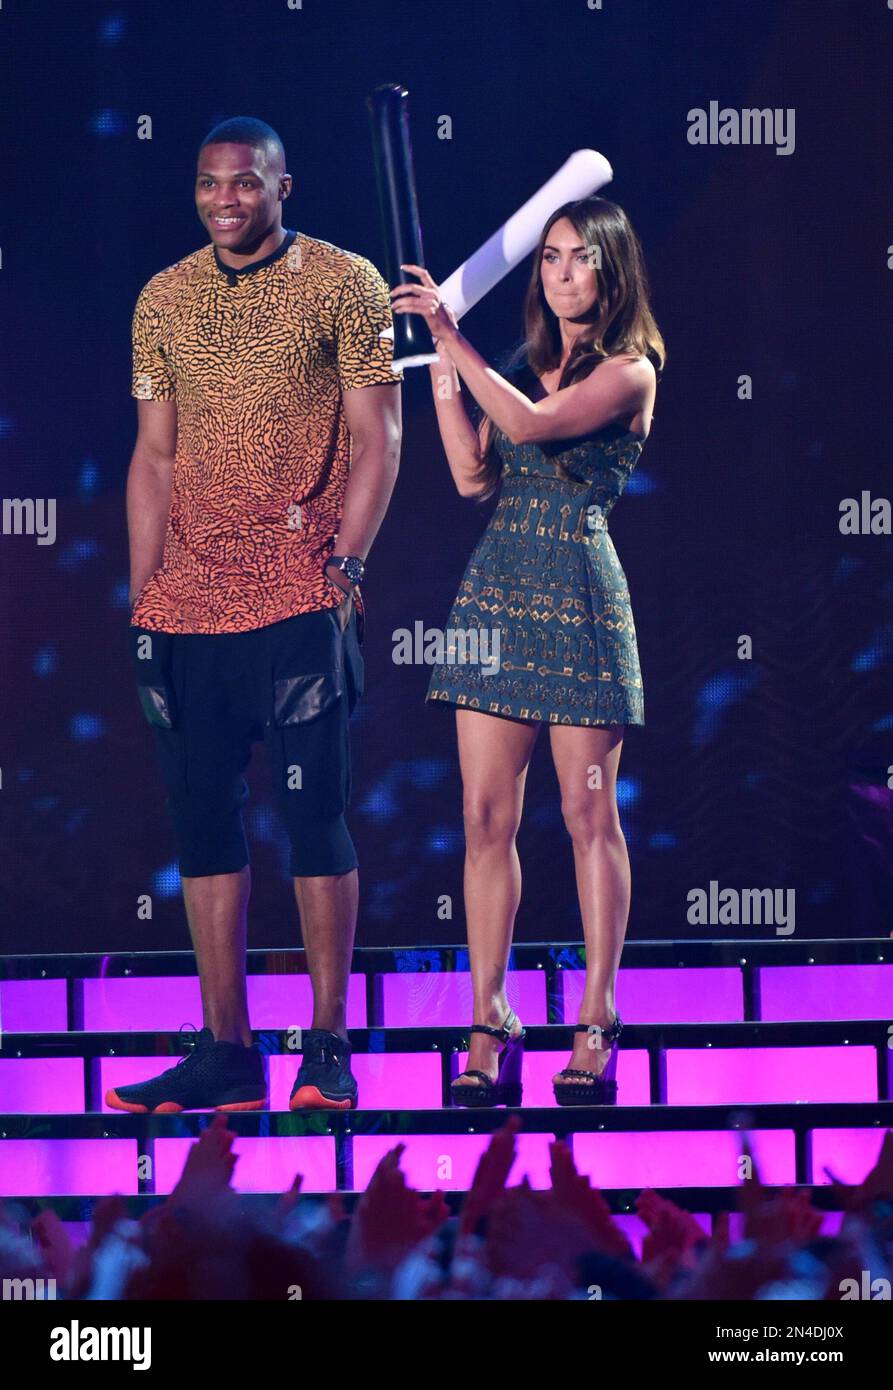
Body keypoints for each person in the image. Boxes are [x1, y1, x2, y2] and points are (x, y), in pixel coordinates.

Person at [108, 116, 402, 1114]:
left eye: (244, 181)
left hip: (299, 594)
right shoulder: (163, 297)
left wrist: (345, 571)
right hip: (188, 606)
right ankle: (227, 1051)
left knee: (312, 816)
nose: (224, 198)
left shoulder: (344, 282)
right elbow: (154, 456)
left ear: (282, 186)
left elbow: (380, 436)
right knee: (201, 821)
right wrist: (145, 600)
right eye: (208, 182)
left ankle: (327, 1044)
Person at [391, 196, 664, 1106]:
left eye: (580, 257)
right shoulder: (516, 365)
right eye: (549, 256)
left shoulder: (629, 371)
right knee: (482, 819)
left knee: (588, 817)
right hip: (496, 599)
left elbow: (535, 428)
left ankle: (596, 1016)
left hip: (580, 600)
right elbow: (473, 475)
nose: (560, 272)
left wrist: (450, 337)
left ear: (612, 271)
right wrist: (441, 368)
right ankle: (489, 1017)